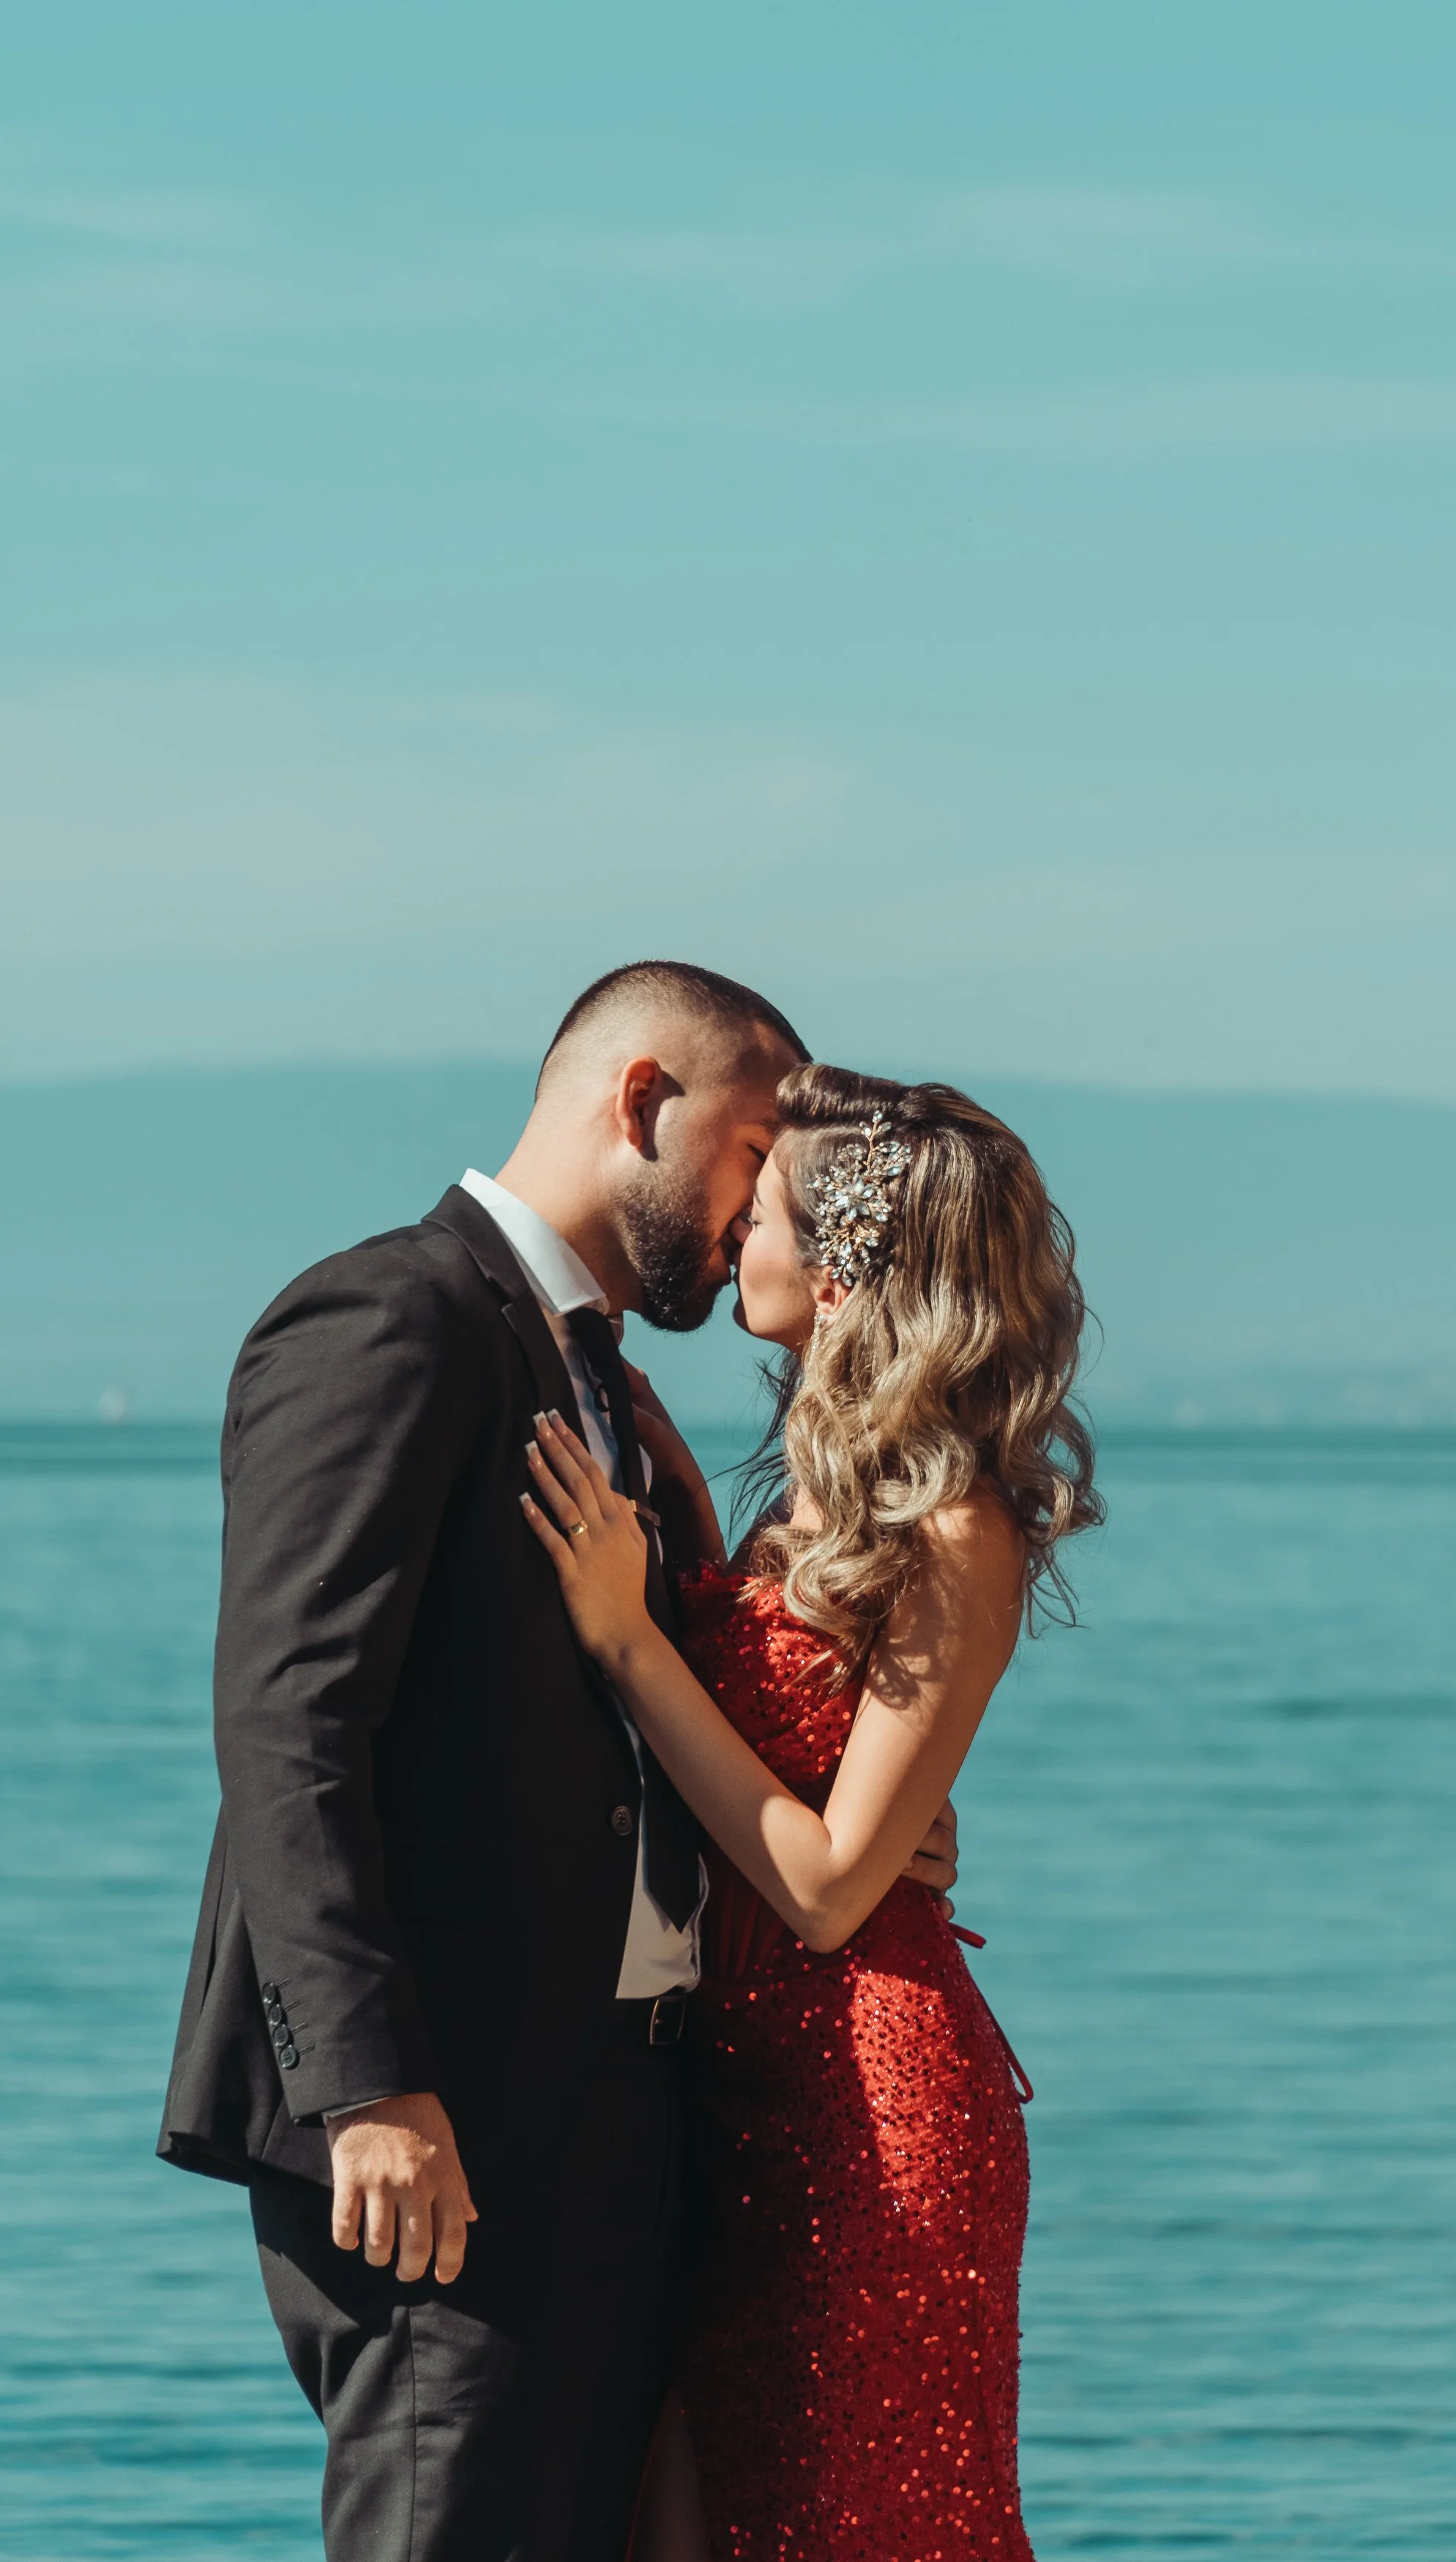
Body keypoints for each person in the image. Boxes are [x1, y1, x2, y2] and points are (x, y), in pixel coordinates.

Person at [157, 964, 961, 2562]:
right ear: (643, 1102)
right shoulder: (390, 1317)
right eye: (753, 1156)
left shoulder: (610, 1395)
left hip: (629, 2124)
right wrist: (368, 2085)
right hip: (443, 2119)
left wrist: (859, 1819)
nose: (761, 1215)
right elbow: (289, 1722)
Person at [520, 1063, 1101, 2561]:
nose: (731, 1238)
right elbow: (795, 1754)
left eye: (761, 1208)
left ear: (841, 1265)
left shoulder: (955, 1525)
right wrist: (683, 1530)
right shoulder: (802, 1502)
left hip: (871, 2113)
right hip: (737, 2091)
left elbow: (833, 1886)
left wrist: (628, 1638)